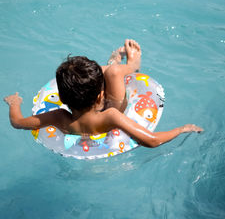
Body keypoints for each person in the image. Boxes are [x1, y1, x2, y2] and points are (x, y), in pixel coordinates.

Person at [4, 39, 203, 148]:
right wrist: (182, 129)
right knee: (113, 73)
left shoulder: (59, 117)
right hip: (111, 112)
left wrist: (14, 103)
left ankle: (111, 64)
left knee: (94, 73)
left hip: (87, 116)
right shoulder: (112, 115)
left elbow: (17, 123)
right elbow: (152, 140)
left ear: (62, 98)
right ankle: (130, 66)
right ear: (100, 96)